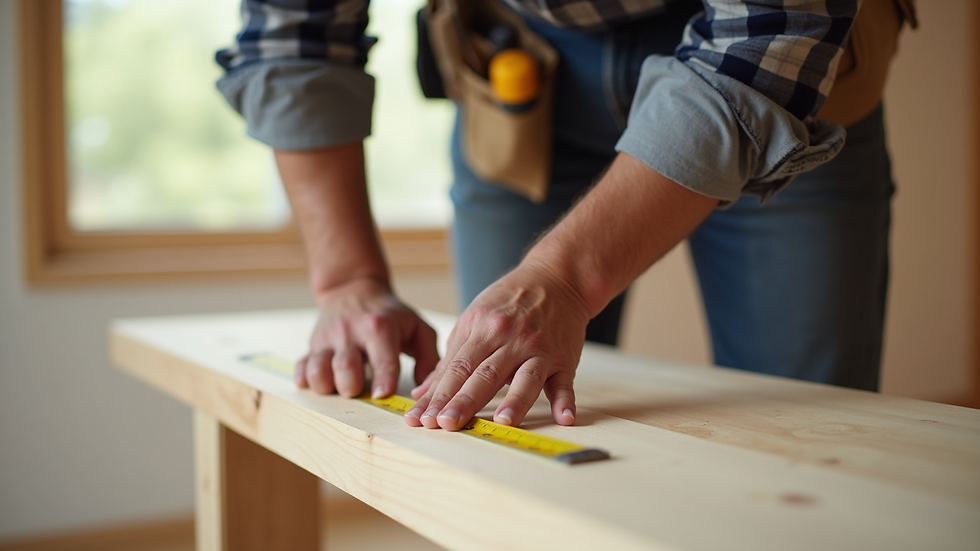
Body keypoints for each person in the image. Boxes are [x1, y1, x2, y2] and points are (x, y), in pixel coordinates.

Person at [216, 0, 914, 431]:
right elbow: (293, 34)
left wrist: (566, 277)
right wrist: (346, 278)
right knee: (501, 419)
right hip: (520, 66)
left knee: (805, 429)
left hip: (773, 73)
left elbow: (773, 32)